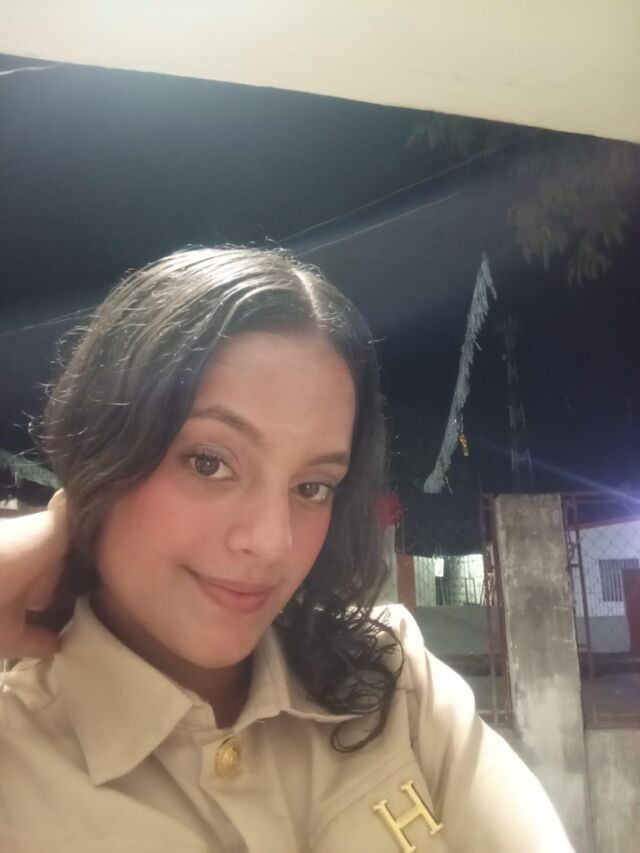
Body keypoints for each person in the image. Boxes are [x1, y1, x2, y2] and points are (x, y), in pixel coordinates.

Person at [0, 247, 573, 852]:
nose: (273, 542)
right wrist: (60, 521)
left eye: (312, 487)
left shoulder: (391, 681)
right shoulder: (17, 761)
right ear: (102, 450)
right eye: (208, 462)